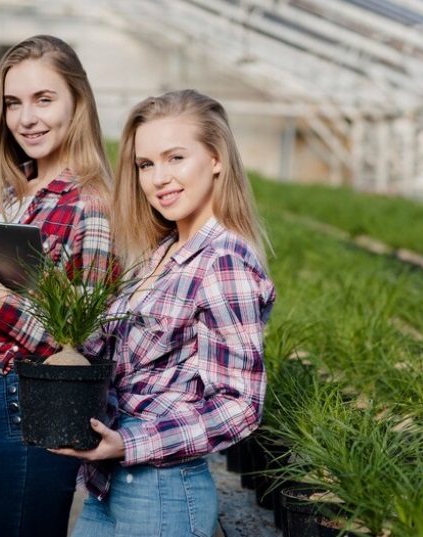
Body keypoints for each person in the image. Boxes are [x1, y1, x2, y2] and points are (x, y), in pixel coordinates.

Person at [52, 89, 277, 537]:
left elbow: (240, 406)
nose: (159, 178)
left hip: (161, 491)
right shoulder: (160, 252)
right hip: (108, 485)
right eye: (146, 164)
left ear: (216, 159)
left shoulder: (224, 260)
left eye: (175, 157)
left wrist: (130, 442)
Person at [0, 35, 115, 537]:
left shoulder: (91, 204)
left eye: (44, 99)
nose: (26, 118)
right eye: (13, 103)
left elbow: (84, 343)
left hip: (31, 410)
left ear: (78, 101)